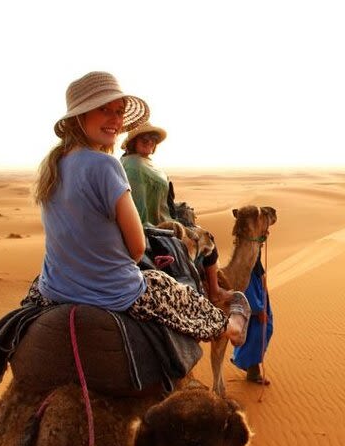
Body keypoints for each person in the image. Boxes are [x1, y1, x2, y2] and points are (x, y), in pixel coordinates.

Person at [27, 70, 249, 346]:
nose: (115, 119)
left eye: (119, 111)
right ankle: (230, 327)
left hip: (55, 287)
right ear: (79, 117)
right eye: (103, 109)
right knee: (180, 296)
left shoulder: (53, 166)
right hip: (112, 291)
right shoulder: (106, 165)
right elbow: (137, 248)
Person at [120, 122, 233, 305]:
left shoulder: (140, 162)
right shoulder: (134, 166)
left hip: (162, 219)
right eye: (145, 138)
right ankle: (214, 291)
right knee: (207, 239)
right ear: (134, 141)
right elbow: (139, 208)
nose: (150, 142)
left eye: (153, 139)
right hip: (153, 227)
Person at [232, 248, 273, 385]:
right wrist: (258, 309)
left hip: (260, 292)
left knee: (259, 332)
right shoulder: (247, 261)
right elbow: (247, 288)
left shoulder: (255, 259)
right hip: (255, 297)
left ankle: (244, 361)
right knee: (257, 335)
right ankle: (252, 371)